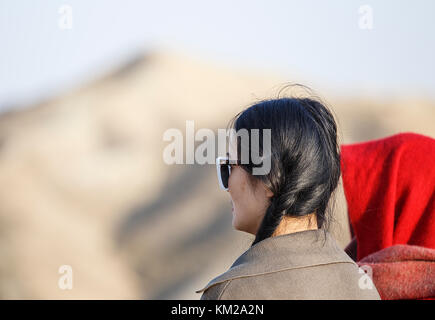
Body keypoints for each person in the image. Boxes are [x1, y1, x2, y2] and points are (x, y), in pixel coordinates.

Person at [196, 93, 380, 300]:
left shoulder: (231, 293)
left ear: (270, 178)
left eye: (229, 167)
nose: (227, 185)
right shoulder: (363, 287)